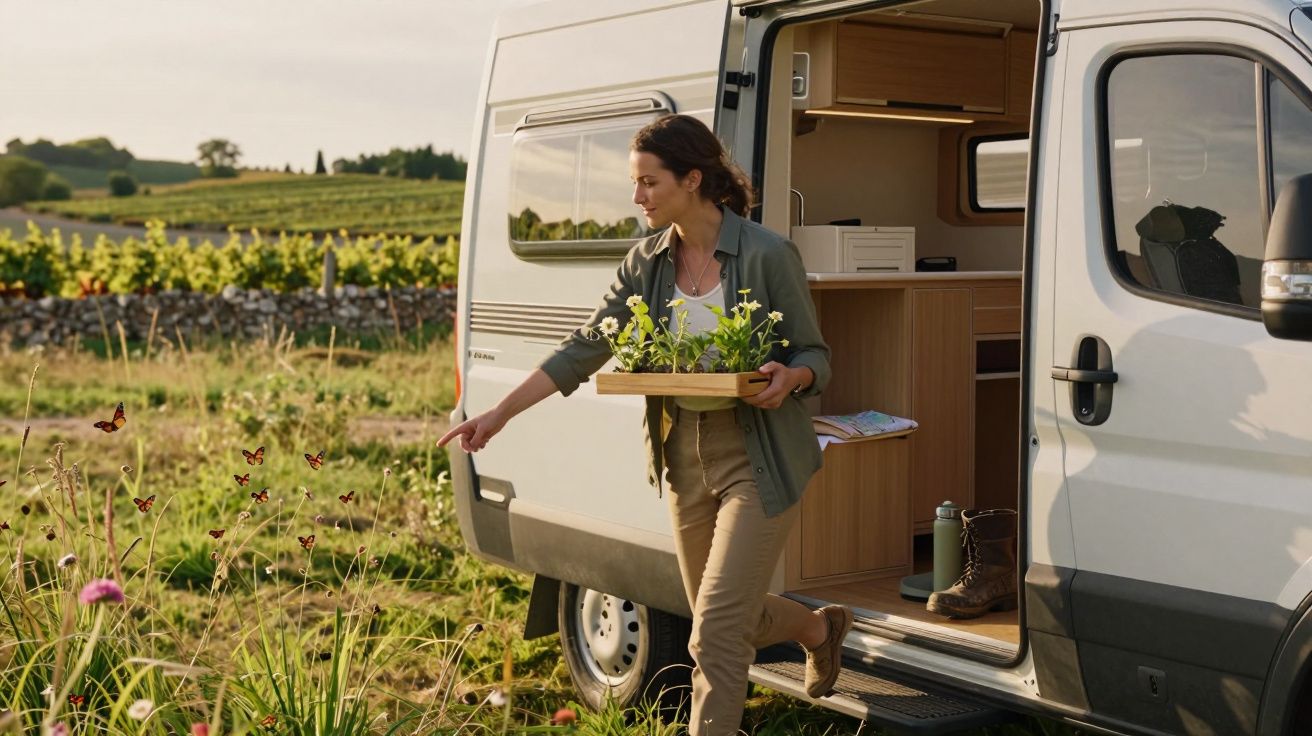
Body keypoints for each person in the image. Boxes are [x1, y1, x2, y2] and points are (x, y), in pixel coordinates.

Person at [438, 114, 852, 736]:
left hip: (759, 454)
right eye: (635, 184)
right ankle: (818, 628)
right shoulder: (647, 265)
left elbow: (815, 356)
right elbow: (586, 347)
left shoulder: (768, 255)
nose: (637, 198)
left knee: (713, 629)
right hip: (682, 454)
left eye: (648, 183)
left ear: (693, 179)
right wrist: (498, 414)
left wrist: (790, 378)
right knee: (716, 612)